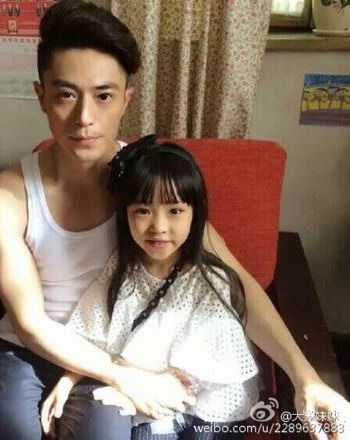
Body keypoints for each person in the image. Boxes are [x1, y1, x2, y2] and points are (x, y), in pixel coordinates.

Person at [0, 1, 350, 439]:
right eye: (66, 95)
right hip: (26, 350)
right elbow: (29, 323)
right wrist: (125, 376)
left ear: (126, 99)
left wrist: (305, 377)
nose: (85, 118)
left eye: (103, 96)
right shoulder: (6, 195)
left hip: (114, 345)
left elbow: (232, 282)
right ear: (41, 95)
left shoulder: (149, 182)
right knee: (3, 428)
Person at [45, 136, 259, 439]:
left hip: (201, 411)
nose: (158, 226)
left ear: (195, 214)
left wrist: (127, 389)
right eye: (143, 211)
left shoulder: (211, 282)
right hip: (144, 395)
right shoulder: (122, 268)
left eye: (174, 211)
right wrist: (69, 380)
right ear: (126, 214)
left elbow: (189, 380)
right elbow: (92, 334)